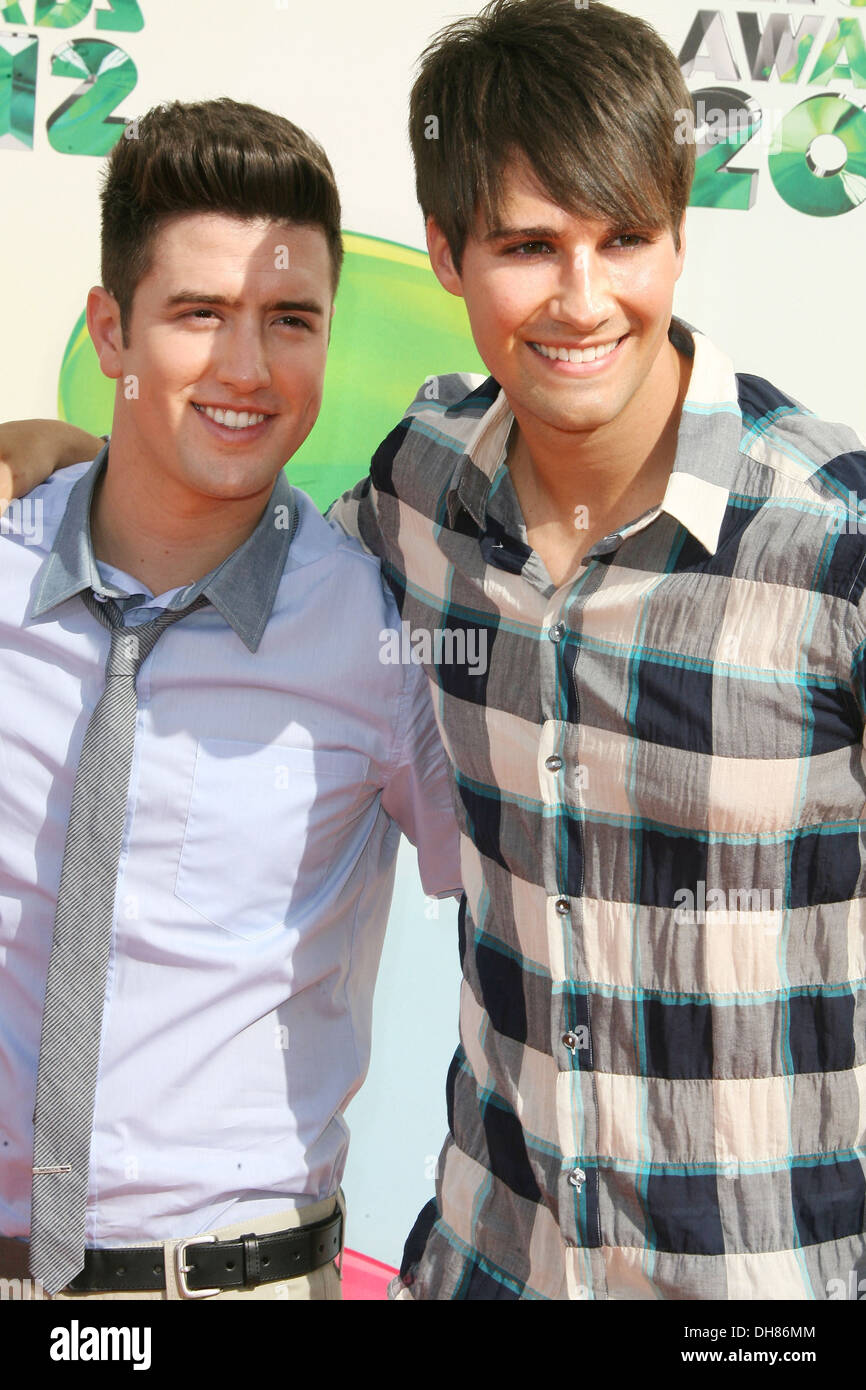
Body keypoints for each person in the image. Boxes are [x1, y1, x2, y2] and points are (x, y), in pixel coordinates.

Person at [4, 0, 865, 1301]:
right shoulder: (419, 494)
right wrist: (44, 457)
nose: (583, 298)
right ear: (447, 255)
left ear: (680, 239)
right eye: (527, 246)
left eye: (622, 239)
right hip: (484, 1269)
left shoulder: (835, 541)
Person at [0, 97, 460, 1303]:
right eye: (199, 314)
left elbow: (551, 914)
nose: (247, 369)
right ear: (112, 330)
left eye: (289, 320)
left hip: (240, 1284)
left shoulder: (383, 630)